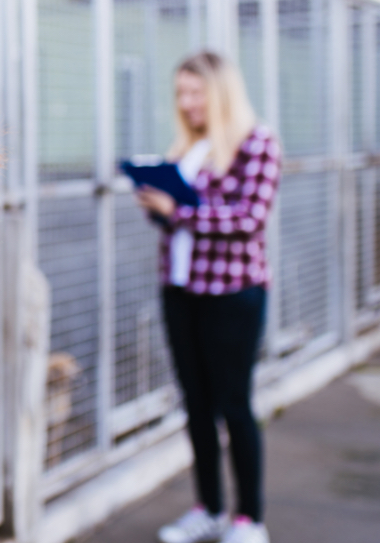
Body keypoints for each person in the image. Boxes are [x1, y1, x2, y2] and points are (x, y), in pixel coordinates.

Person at [135, 51, 280, 543]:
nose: (187, 102)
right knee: (196, 405)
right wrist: (155, 201)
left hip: (232, 294)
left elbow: (248, 219)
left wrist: (177, 210)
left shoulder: (257, 143)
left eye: (195, 92)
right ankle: (210, 509)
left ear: (219, 92)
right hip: (181, 291)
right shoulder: (187, 146)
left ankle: (249, 519)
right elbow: (176, 220)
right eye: (180, 92)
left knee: (234, 404)